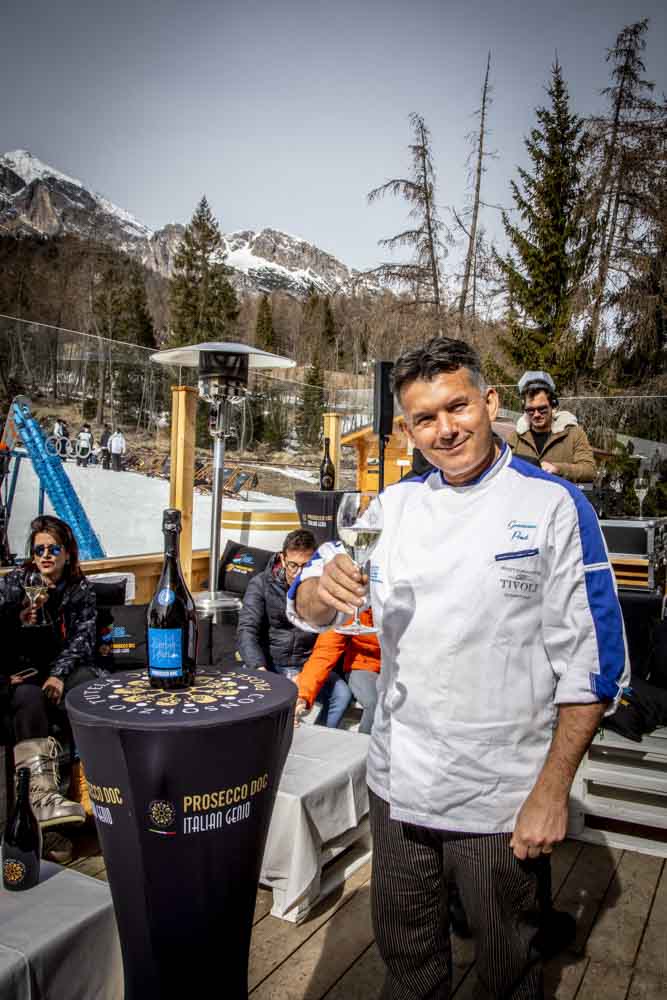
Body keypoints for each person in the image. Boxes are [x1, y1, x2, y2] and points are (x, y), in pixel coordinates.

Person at [288, 337, 629, 999]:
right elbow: (311, 595)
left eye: (457, 407)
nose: (444, 430)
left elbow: (594, 665)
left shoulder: (553, 506)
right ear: (406, 430)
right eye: (424, 418)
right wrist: (318, 590)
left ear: (490, 403)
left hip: (500, 797)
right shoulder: (391, 508)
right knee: (407, 959)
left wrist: (551, 791)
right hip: (397, 785)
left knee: (508, 968)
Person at [0, 515, 100, 836]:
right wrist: (18, 613)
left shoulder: (80, 589)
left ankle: (90, 789)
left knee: (86, 689)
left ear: (67, 554)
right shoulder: (18, 581)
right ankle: (41, 800)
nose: (45, 555)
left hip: (61, 666)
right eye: (39, 549)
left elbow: (83, 640)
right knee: (29, 697)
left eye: (53, 549)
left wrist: (58, 674)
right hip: (23, 671)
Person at [237, 528, 351, 728]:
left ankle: (319, 735)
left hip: (306, 665)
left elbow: (330, 637)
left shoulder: (323, 587)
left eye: (305, 566)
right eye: (293, 565)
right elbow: (247, 630)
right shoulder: (261, 584)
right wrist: (260, 669)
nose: (298, 573)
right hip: (270, 664)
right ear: (282, 558)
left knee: (341, 694)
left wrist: (305, 677)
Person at [294, 608, 380, 734]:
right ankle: (365, 743)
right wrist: (303, 695)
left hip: (401, 665)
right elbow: (325, 652)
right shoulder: (353, 607)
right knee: (375, 703)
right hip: (365, 664)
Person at [508, 371, 596, 483]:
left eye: (542, 409)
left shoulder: (574, 434)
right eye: (530, 410)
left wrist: (557, 469)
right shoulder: (516, 438)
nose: (536, 415)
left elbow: (589, 470)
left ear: (553, 405)